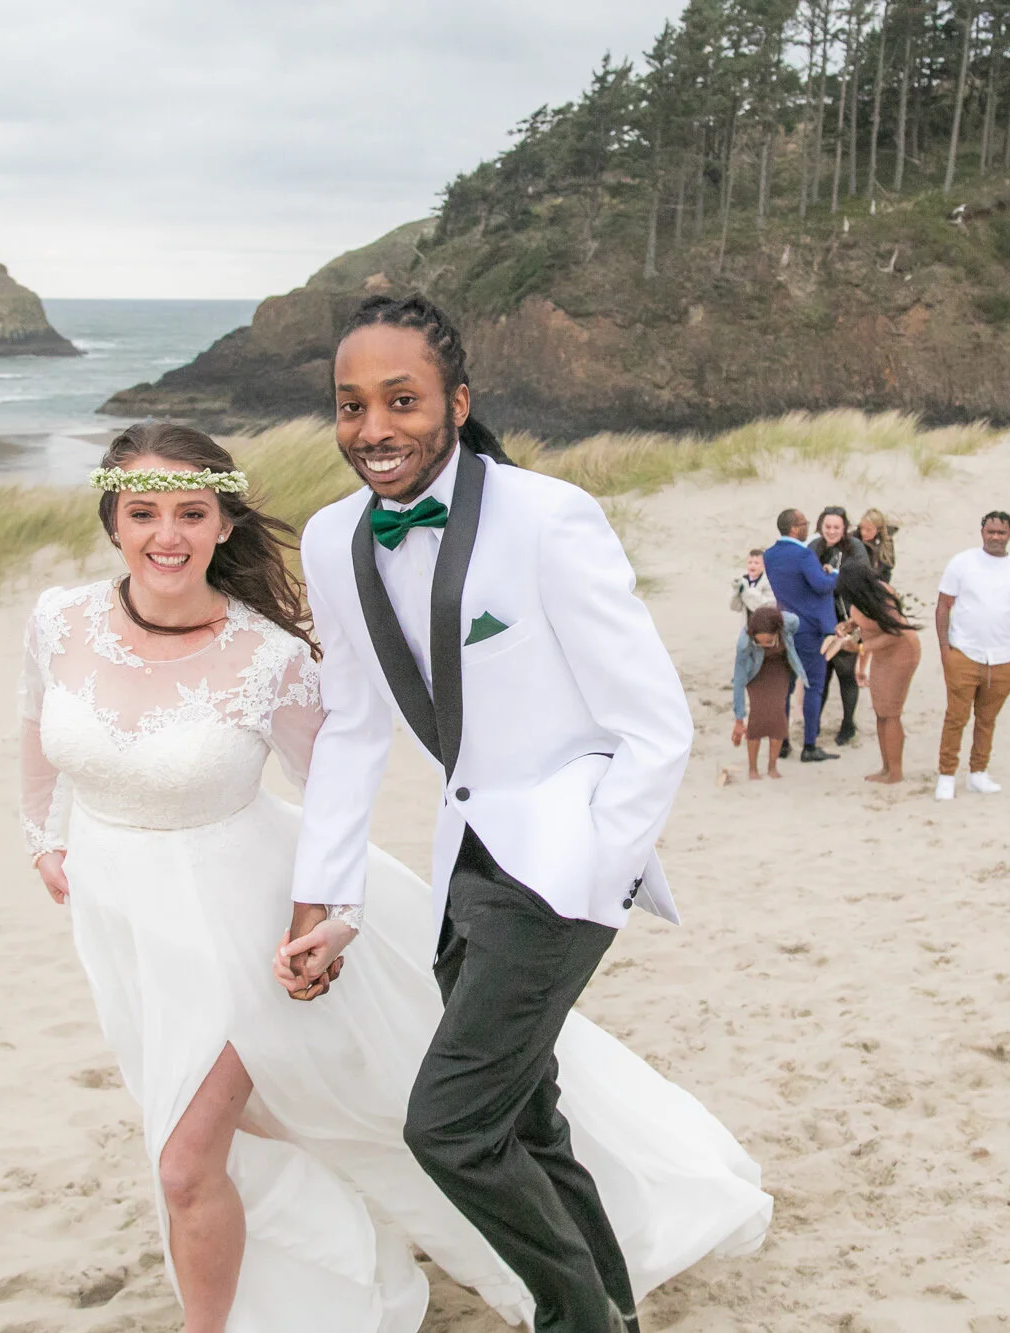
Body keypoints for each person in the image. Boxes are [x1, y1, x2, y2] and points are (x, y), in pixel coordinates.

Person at [23, 420, 769, 1333]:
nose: (165, 535)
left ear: (225, 524)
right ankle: (329, 1260)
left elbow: (336, 782)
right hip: (122, 922)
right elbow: (41, 727)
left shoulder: (269, 659)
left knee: (184, 1159)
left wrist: (334, 913)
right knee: (243, 1136)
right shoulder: (58, 619)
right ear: (112, 521)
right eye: (142, 512)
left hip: (242, 928)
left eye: (191, 511)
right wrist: (44, 834)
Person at [279, 294, 770, 1333]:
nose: (373, 428)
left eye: (401, 400)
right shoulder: (332, 541)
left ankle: (571, 1319)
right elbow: (357, 725)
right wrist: (324, 896)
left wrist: (598, 864)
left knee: (450, 1126)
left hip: (562, 865)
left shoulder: (547, 515)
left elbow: (651, 722)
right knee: (527, 1121)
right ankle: (615, 1313)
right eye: (350, 405)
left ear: (455, 402)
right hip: (466, 866)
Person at [933, 511, 1010, 801]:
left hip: (1003, 658)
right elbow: (943, 606)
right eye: (990, 531)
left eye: (1001, 533)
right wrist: (945, 648)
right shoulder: (962, 562)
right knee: (956, 717)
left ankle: (978, 772)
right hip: (964, 652)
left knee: (987, 719)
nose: (995, 537)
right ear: (982, 532)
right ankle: (946, 774)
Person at [762, 509, 839, 763]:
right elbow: (821, 585)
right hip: (809, 628)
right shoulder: (804, 554)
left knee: (784, 686)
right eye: (805, 523)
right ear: (795, 528)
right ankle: (809, 745)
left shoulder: (770, 555)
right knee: (812, 686)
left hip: (784, 624)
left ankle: (782, 742)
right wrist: (833, 573)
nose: (808, 528)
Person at [835, 564, 922, 784]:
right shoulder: (863, 599)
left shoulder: (884, 597)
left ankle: (895, 772)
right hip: (882, 653)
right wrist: (851, 624)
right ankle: (886, 766)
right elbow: (868, 622)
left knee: (891, 712)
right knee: (880, 710)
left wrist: (862, 648)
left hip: (901, 652)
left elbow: (896, 632)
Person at [809, 507, 868, 747]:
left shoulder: (855, 547)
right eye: (827, 527)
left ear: (844, 528)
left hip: (848, 620)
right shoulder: (814, 547)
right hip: (821, 622)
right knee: (820, 676)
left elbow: (861, 576)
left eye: (836, 527)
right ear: (821, 526)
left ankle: (847, 724)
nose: (831, 531)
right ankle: (814, 723)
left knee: (846, 674)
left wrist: (834, 573)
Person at [731, 604, 806, 780]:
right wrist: (739, 719)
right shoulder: (744, 643)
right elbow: (739, 681)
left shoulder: (790, 622)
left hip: (779, 669)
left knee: (778, 714)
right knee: (758, 715)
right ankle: (753, 769)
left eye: (769, 642)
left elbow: (794, 631)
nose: (764, 646)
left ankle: (772, 767)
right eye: (759, 643)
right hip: (755, 673)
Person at [729, 547, 776, 615]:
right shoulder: (743, 580)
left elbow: (765, 606)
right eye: (750, 562)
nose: (752, 565)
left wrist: (745, 591)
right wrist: (736, 590)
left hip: (764, 623)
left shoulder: (768, 582)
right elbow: (735, 607)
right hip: (748, 623)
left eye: (756, 563)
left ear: (764, 566)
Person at [856, 509, 897, 580]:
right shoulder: (854, 539)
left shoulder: (886, 542)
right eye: (861, 528)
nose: (863, 533)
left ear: (878, 530)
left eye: (868, 530)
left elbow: (888, 567)